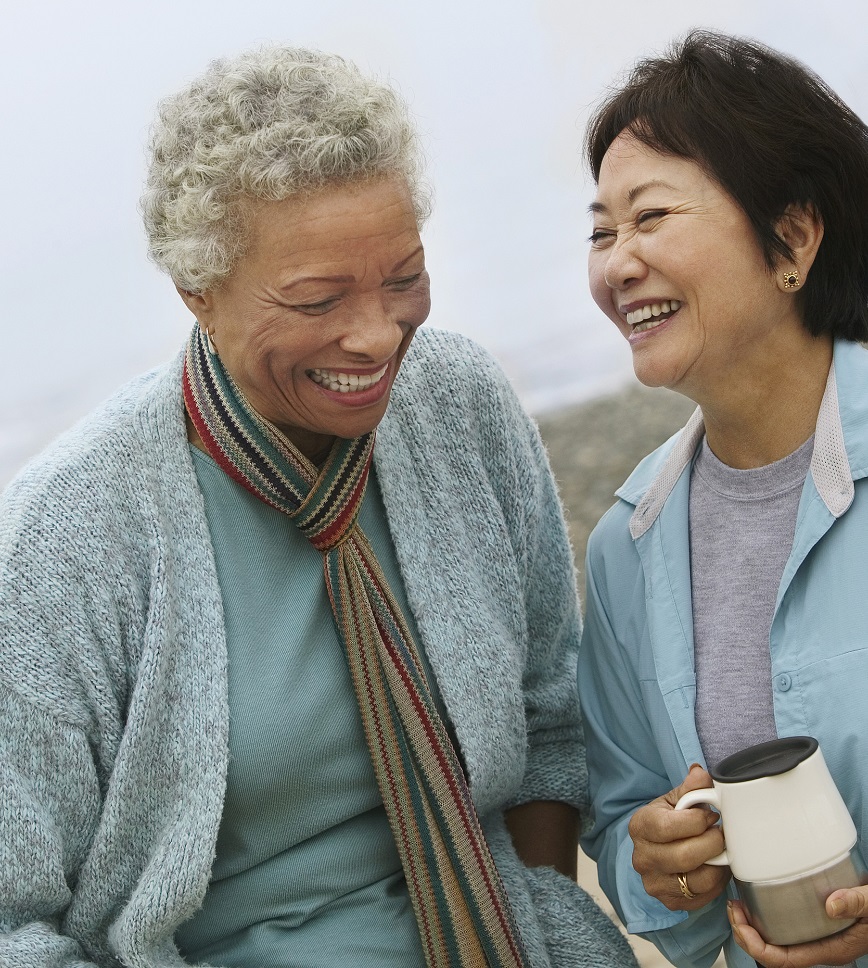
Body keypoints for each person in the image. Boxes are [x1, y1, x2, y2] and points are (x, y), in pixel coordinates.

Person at [0, 45, 636, 968]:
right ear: (199, 293)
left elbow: (548, 720)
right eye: (316, 298)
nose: (378, 334)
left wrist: (535, 911)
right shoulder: (69, 535)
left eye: (404, 277)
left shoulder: (455, 402)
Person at [577, 30, 868, 968]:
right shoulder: (630, 541)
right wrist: (658, 864)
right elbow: (623, 817)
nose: (617, 265)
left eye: (650, 216)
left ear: (793, 236)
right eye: (601, 230)